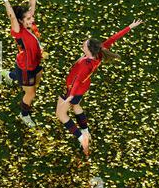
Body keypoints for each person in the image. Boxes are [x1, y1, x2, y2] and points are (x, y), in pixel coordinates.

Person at [55, 20, 143, 155]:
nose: (83, 45)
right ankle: (85, 130)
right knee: (76, 106)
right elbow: (113, 39)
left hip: (74, 88)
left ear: (89, 50)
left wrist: (70, 96)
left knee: (61, 114)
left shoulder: (85, 63)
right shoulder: (99, 53)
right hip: (82, 87)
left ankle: (82, 137)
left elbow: (77, 80)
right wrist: (129, 27)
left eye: (84, 45)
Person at [0, 0, 44, 128]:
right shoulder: (19, 31)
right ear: (21, 21)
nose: (33, 19)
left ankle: (9, 76)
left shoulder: (30, 24)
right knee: (30, 93)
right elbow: (11, 15)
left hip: (34, 63)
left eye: (32, 17)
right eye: (29, 18)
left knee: (34, 84)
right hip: (26, 66)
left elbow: (32, 1)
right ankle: (23, 114)